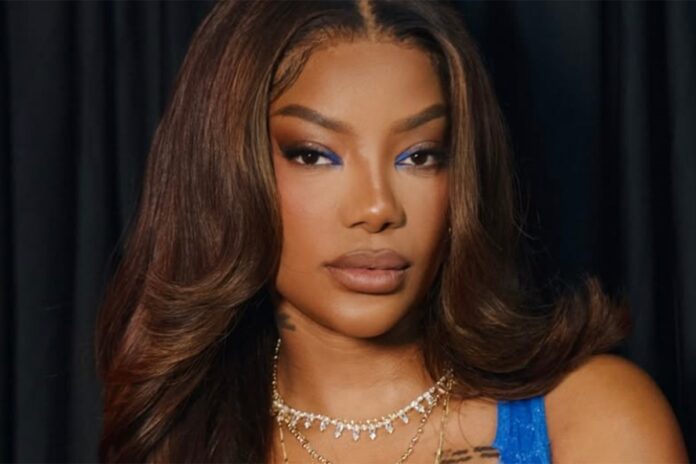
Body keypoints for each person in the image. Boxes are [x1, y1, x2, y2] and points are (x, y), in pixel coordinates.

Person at [95, 1, 688, 462]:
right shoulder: (177, 437)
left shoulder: (589, 421)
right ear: (225, 170)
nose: (377, 208)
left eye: (419, 156)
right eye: (314, 154)